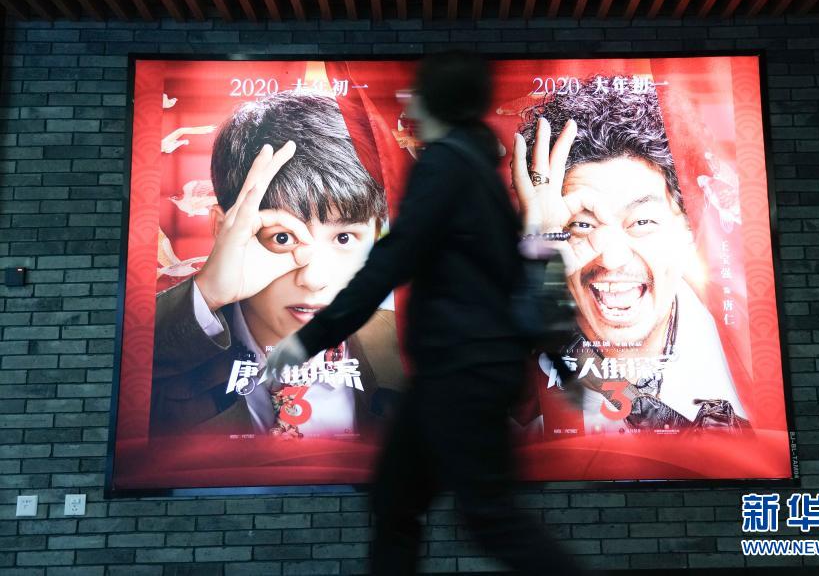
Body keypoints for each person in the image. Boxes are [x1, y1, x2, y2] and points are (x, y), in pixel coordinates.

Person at [270, 52, 582, 575]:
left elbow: (392, 260)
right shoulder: (477, 170)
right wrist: (559, 362)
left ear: (435, 101)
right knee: (402, 504)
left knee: (481, 516)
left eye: (417, 92)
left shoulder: (445, 165)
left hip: (460, 371)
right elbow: (512, 275)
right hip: (468, 370)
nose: (408, 101)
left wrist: (309, 337)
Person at [150, 90, 404, 439]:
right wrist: (206, 293)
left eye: (344, 238)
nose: (314, 279)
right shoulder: (164, 355)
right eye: (282, 238)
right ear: (223, 230)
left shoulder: (410, 346)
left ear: (375, 233)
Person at [512, 78, 748, 436]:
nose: (612, 258)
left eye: (642, 222)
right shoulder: (519, 392)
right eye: (582, 225)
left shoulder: (747, 350)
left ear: (688, 229)